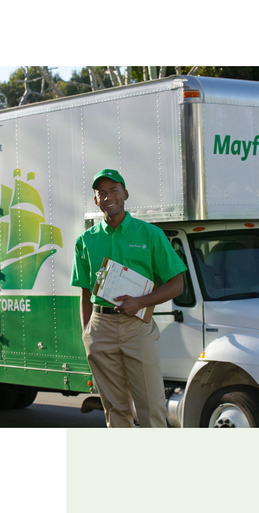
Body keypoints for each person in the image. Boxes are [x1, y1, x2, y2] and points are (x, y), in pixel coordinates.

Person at [71, 169, 186, 428]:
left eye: (114, 190)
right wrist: (87, 332)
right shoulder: (85, 241)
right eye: (102, 193)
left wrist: (140, 303)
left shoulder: (150, 235)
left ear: (125, 194)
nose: (108, 196)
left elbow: (177, 284)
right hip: (101, 328)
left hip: (137, 327)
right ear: (96, 200)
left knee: (151, 407)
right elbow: (86, 293)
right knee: (115, 410)